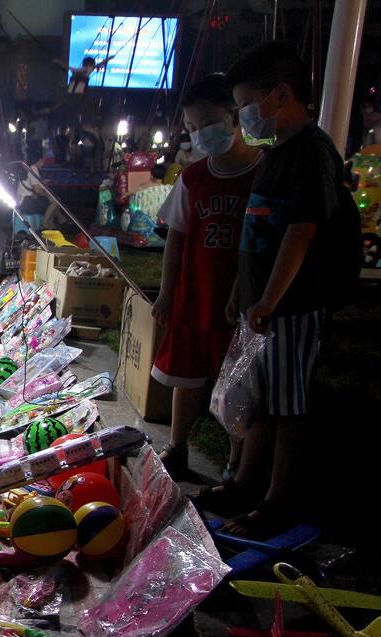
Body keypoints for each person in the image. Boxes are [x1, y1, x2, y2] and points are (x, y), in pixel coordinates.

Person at [209, 42, 351, 536]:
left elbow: (301, 232)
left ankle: (278, 502)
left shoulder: (311, 153)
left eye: (247, 103)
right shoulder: (277, 154)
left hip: (294, 305)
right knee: (262, 399)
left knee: (290, 407)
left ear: (281, 95)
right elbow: (258, 231)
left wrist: (270, 298)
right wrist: (240, 288)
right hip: (261, 302)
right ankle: (245, 483)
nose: (243, 115)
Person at [150, 74, 262, 480]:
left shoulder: (261, 172)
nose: (201, 135)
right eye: (193, 128)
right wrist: (166, 294)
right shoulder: (192, 178)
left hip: (240, 298)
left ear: (234, 116)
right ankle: (177, 448)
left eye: (209, 124)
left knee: (236, 382)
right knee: (185, 373)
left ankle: (235, 460)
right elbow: (176, 241)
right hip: (195, 292)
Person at [14, 143, 50, 235]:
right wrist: (48, 195)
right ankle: (45, 223)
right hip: (27, 203)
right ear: (40, 160)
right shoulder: (33, 168)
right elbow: (37, 190)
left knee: (53, 199)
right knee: (54, 201)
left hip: (21, 200)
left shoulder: (25, 166)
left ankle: (58, 220)